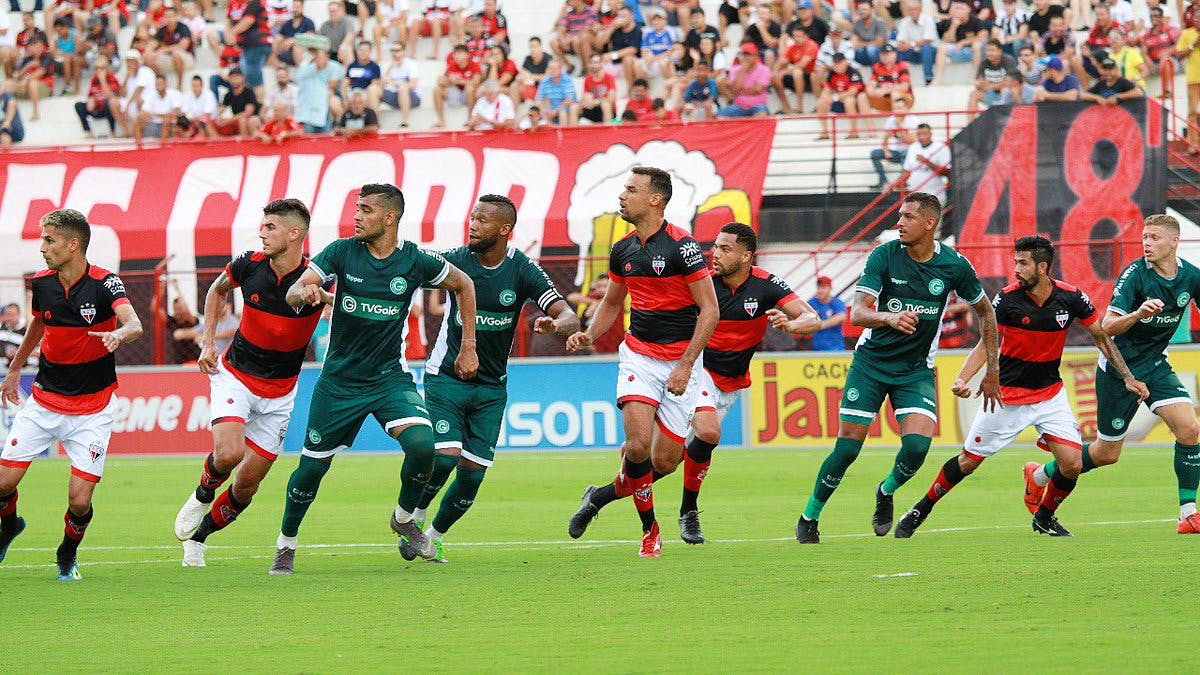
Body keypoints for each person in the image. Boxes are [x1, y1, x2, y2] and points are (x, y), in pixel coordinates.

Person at [266, 184, 477, 574]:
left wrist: (468, 347)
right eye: (356, 209)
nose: (357, 216)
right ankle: (286, 543)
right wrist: (303, 292)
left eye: (365, 210)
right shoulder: (341, 252)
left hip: (389, 379)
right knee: (312, 470)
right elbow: (299, 287)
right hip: (339, 383)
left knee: (422, 445)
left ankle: (402, 519)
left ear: (389, 217)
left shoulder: (414, 259)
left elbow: (464, 284)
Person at [569, 223, 819, 544]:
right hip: (696, 369)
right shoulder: (702, 281)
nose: (715, 254)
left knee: (666, 462)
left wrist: (794, 324)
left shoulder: (766, 284)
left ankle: (600, 496)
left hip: (731, 382)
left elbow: (811, 317)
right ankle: (688, 511)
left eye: (726, 249)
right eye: (715, 246)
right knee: (709, 431)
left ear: (747, 256)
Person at [895, 237, 1148, 539]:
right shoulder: (1007, 299)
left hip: (1050, 395)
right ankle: (920, 509)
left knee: (1072, 465)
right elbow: (986, 342)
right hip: (1006, 398)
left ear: (1042, 267)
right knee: (967, 462)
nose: (1015, 269)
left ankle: (1044, 517)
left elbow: (1102, 337)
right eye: (1015, 262)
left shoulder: (1071, 297)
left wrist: (1127, 376)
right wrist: (963, 378)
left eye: (1022, 263)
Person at [796, 192, 999, 544]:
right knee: (847, 448)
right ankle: (809, 516)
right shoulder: (885, 255)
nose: (899, 223)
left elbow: (986, 313)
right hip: (871, 363)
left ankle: (886, 491)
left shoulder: (954, 265)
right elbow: (857, 313)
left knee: (918, 448)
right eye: (899, 216)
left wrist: (991, 371)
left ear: (930, 223)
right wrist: (888, 317)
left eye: (907, 217)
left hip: (916, 369)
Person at [398, 195, 579, 563]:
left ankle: (433, 535)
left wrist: (555, 324)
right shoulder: (456, 261)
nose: (473, 224)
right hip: (446, 377)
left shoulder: (523, 270)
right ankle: (413, 518)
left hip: (492, 387)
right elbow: (407, 270)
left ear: (504, 229)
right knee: (445, 456)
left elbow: (569, 316)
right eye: (472, 217)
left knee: (472, 477)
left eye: (482, 220)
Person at [564, 167, 718, 558]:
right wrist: (590, 334)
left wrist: (686, 365)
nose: (622, 196)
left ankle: (599, 496)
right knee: (636, 447)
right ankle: (650, 531)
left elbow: (710, 309)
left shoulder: (683, 247)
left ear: (655, 199)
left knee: (663, 460)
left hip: (681, 361)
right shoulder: (623, 249)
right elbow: (613, 302)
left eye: (631, 190)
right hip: (639, 357)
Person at [172, 201, 329, 567]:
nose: (262, 233)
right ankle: (201, 494)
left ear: (294, 234)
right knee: (228, 454)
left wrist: (325, 296)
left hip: (281, 393)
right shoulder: (248, 264)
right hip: (236, 377)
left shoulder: (318, 278)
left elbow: (349, 305)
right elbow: (217, 290)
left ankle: (198, 538)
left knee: (246, 486)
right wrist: (209, 341)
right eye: (262, 226)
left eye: (270, 227)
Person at [1025, 215, 1200, 534]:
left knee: (1189, 430)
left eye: (1155, 238)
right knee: (1107, 453)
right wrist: (1138, 313)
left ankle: (1188, 513)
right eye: (1145, 237)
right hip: (1119, 369)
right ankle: (1040, 475)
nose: (1147, 243)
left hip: (1156, 366)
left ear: (1174, 242)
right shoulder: (1134, 275)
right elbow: (1106, 327)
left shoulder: (1191, 276)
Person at [0, 209, 143, 580]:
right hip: (45, 402)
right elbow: (39, 322)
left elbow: (134, 323)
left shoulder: (105, 284)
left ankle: (67, 554)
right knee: (2, 484)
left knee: (80, 501)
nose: (42, 247)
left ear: (73, 244)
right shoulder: (43, 282)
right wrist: (15, 368)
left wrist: (119, 335)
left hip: (93, 409)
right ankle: (9, 527)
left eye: (49, 240)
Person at [933, 0, 987, 84]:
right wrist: (953, 26)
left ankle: (974, 77)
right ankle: (938, 79)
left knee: (977, 45)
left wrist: (964, 42)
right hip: (957, 51)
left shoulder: (975, 20)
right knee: (942, 48)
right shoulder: (949, 21)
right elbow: (945, 40)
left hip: (971, 51)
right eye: (955, 8)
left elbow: (983, 36)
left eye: (960, 8)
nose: (957, 11)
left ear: (968, 9)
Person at [815, 52, 864, 139]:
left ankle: (854, 131)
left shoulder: (853, 72)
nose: (837, 66)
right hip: (838, 101)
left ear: (845, 62)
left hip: (853, 104)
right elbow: (826, 89)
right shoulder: (832, 73)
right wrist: (825, 97)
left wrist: (835, 97)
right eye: (835, 63)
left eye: (839, 63)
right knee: (821, 102)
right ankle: (825, 132)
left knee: (849, 100)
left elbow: (853, 92)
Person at [296, 48, 344, 134]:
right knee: (309, 143)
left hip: (323, 114)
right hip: (307, 116)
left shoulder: (331, 69)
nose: (321, 60)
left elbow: (331, 88)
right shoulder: (305, 69)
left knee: (325, 143)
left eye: (322, 57)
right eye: (318, 57)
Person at [434, 44, 482, 128]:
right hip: (455, 93)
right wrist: (449, 80)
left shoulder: (474, 65)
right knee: (437, 89)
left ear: (467, 55)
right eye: (455, 54)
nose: (456, 56)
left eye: (459, 53)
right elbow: (440, 81)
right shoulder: (452, 66)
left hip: (468, 95)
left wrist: (458, 81)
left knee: (470, 88)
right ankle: (441, 120)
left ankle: (470, 119)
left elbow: (476, 82)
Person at [773, 24, 818, 113]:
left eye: (799, 36)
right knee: (775, 77)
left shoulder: (811, 45)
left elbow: (802, 65)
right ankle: (786, 107)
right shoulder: (793, 47)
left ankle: (799, 107)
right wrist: (775, 72)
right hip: (797, 77)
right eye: (794, 36)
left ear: (806, 36)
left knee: (797, 72)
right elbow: (781, 61)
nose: (796, 39)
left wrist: (785, 71)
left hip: (812, 78)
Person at [718, 42, 771, 117]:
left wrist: (739, 92)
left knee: (761, 115)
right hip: (738, 106)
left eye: (749, 55)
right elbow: (734, 90)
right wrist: (742, 71)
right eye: (744, 54)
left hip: (758, 106)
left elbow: (757, 89)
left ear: (756, 56)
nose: (746, 57)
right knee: (720, 117)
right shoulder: (735, 69)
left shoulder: (764, 69)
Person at [597, 5, 641, 88]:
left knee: (628, 58)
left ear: (631, 16)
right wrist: (611, 27)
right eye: (620, 16)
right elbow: (601, 44)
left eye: (624, 16)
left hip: (631, 63)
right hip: (615, 63)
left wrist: (614, 55)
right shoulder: (615, 28)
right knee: (596, 63)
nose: (622, 19)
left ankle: (630, 89)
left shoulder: (637, 30)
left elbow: (633, 50)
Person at [903, 123, 951, 202]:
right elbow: (907, 170)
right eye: (919, 134)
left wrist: (927, 162)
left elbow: (947, 172)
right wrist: (893, 185)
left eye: (924, 134)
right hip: (916, 195)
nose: (921, 137)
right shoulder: (913, 147)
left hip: (935, 195)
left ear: (930, 134)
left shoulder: (941, 147)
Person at [969, 39, 1020, 110]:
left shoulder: (1008, 60)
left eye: (992, 50)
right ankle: (972, 121)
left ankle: (1005, 117)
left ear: (1000, 51)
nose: (989, 53)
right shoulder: (984, 63)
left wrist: (990, 86)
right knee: (973, 94)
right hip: (991, 94)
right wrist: (978, 84)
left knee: (1005, 89)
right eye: (988, 50)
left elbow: (1010, 82)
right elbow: (980, 83)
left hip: (1007, 95)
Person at [152, 5, 194, 90]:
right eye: (167, 16)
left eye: (171, 16)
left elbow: (182, 46)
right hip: (169, 58)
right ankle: (161, 83)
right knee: (148, 57)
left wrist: (162, 49)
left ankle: (179, 85)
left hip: (186, 58)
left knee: (176, 53)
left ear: (176, 16)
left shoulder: (183, 28)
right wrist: (150, 51)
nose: (169, 19)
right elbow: (152, 43)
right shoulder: (162, 30)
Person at [554, 0, 600, 72]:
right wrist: (563, 39)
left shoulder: (590, 11)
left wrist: (571, 37)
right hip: (572, 41)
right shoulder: (569, 13)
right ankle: (569, 66)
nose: (568, 3)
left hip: (583, 40)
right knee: (553, 43)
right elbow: (561, 27)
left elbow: (587, 29)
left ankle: (586, 67)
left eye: (570, 0)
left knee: (579, 39)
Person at [381, 43, 420, 127]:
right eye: (392, 51)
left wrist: (395, 84)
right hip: (394, 96)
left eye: (397, 50)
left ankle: (404, 121)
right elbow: (381, 84)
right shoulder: (387, 65)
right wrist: (390, 68)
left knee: (403, 88)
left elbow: (413, 84)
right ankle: (374, 122)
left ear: (403, 52)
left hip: (412, 96)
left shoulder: (411, 64)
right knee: (373, 89)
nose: (395, 53)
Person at [214, 67, 259, 137]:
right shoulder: (228, 94)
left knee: (242, 121)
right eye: (232, 77)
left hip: (251, 120)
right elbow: (221, 109)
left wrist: (229, 120)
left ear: (242, 78)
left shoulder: (249, 92)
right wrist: (218, 117)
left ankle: (244, 143)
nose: (234, 80)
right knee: (215, 122)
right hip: (237, 120)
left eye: (237, 77)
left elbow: (248, 113)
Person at [808, 275, 848, 351]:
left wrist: (820, 325)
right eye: (818, 287)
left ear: (830, 288)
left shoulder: (836, 302)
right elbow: (801, 313)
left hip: (836, 350)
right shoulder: (812, 303)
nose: (820, 291)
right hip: (817, 350)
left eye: (823, 288)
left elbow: (841, 317)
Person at [535, 57, 578, 126]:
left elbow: (569, 100)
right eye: (550, 68)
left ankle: (566, 135)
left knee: (562, 112)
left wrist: (555, 111)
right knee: (539, 109)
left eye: (555, 68)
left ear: (560, 69)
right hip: (550, 110)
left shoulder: (567, 79)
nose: (552, 71)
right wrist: (544, 111)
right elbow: (538, 100)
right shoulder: (544, 81)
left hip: (566, 109)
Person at [342, 41, 383, 111]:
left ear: (370, 52)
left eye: (365, 50)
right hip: (353, 92)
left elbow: (375, 83)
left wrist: (361, 97)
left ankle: (373, 120)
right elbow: (345, 84)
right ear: (357, 51)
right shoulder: (352, 66)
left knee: (373, 89)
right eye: (361, 50)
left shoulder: (374, 67)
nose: (363, 52)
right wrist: (345, 99)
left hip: (367, 93)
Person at [0, 79, 25, 146]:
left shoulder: (6, 95)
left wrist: (7, 121)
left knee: (4, 135)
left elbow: (12, 104)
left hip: (11, 128)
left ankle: (5, 155)